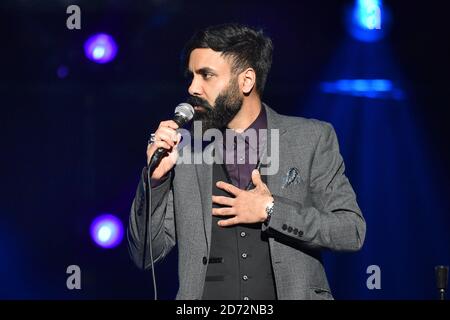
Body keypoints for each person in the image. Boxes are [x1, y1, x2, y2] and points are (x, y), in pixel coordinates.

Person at [127, 23, 366, 300]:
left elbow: (351, 231)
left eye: (206, 75)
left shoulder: (311, 137)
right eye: (191, 76)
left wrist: (271, 209)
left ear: (246, 81)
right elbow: (144, 254)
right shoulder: (185, 150)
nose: (193, 87)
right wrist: (155, 181)